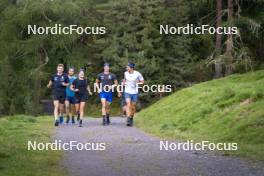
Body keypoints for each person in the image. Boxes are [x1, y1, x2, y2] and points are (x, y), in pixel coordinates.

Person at [124, 62, 144, 126]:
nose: (126, 68)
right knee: (128, 104)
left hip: (135, 92)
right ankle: (128, 119)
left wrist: (138, 82)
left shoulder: (137, 74)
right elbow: (124, 80)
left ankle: (131, 117)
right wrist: (123, 83)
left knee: (133, 106)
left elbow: (142, 81)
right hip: (127, 91)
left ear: (131, 68)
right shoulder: (125, 73)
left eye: (127, 67)